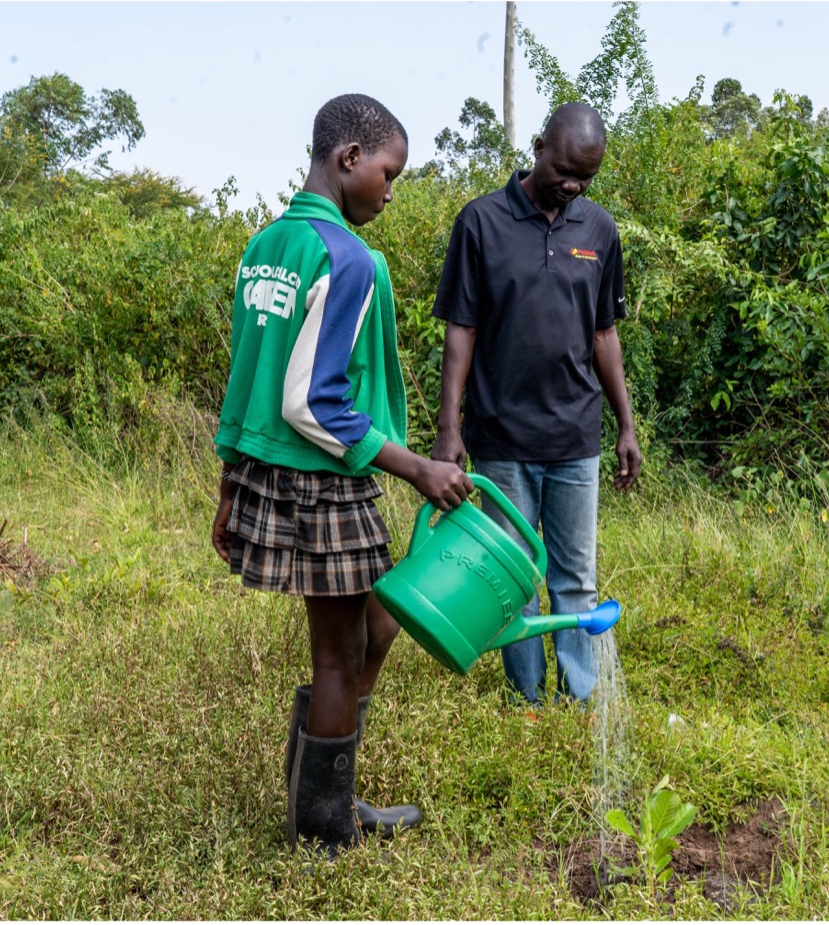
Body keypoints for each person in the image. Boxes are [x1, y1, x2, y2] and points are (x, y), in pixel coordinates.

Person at [210, 94, 473, 858]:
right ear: (349, 159)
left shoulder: (266, 243)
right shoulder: (347, 257)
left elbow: (244, 377)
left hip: (269, 473)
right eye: (390, 173)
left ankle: (320, 789)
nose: (392, 191)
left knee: (374, 624)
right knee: (340, 650)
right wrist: (417, 466)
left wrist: (230, 484)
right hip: (322, 477)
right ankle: (323, 828)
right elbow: (310, 401)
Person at [430, 102, 641, 705]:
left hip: (576, 438)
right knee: (515, 578)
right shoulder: (481, 222)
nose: (573, 186)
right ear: (540, 146)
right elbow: (460, 330)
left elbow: (604, 334)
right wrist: (450, 429)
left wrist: (625, 424)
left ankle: (580, 699)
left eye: (587, 177)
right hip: (501, 438)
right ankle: (527, 701)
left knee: (575, 580)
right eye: (567, 170)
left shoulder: (599, 230)